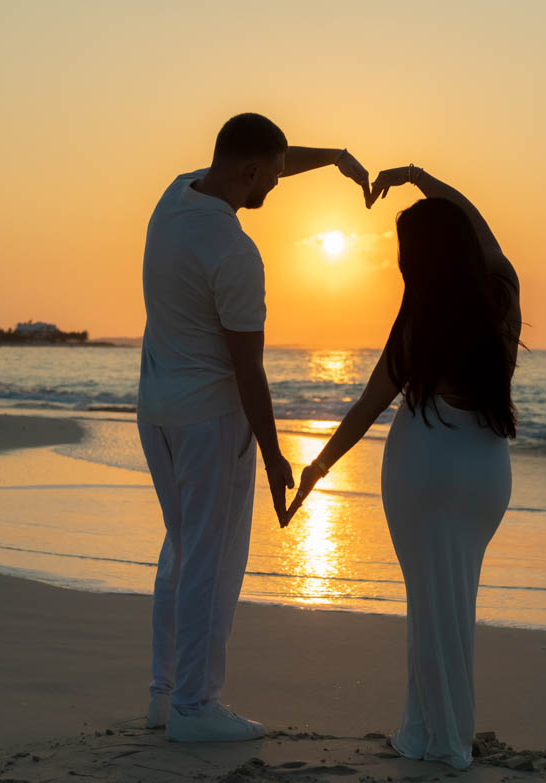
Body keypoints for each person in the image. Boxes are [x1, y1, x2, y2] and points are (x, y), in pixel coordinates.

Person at [136, 113, 371, 743]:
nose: (276, 184)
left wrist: (334, 157)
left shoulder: (176, 194)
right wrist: (272, 456)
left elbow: (265, 157)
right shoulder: (235, 252)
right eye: (272, 175)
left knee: (182, 550)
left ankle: (165, 694)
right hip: (211, 423)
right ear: (248, 171)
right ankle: (194, 707)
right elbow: (249, 370)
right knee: (211, 564)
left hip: (157, 412)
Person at [287, 164, 521, 769]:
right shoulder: (503, 294)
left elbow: (369, 405)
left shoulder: (420, 320)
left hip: (426, 467)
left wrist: (317, 468)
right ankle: (421, 730)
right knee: (450, 603)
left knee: (432, 605)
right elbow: (481, 227)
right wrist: (420, 177)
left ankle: (447, 742)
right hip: (487, 473)